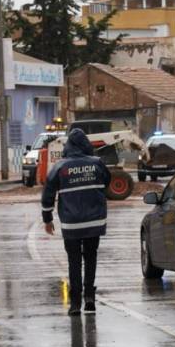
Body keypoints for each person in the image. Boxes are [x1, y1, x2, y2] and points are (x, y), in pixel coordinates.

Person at [42, 128, 111, 316]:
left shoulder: (60, 167)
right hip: (94, 222)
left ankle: (75, 303)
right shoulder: (97, 163)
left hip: (71, 223)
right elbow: (107, 181)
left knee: (74, 261)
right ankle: (89, 297)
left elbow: (48, 194)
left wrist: (47, 219)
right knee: (90, 257)